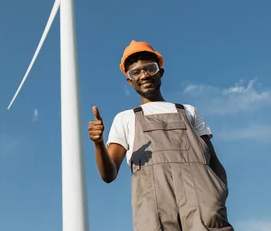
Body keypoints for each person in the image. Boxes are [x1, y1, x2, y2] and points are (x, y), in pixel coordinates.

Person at [88, 40, 233, 231]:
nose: (144, 75)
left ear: (160, 72)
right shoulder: (125, 118)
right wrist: (98, 143)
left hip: (204, 208)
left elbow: (213, 159)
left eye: (150, 68)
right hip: (154, 211)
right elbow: (108, 175)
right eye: (136, 72)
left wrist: (217, 195)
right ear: (129, 80)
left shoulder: (188, 111)